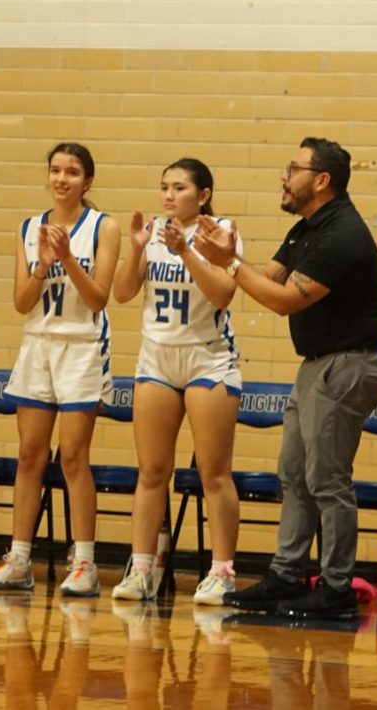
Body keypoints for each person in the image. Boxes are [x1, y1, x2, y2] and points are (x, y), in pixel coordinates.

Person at [194, 137, 377, 619]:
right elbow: (269, 277)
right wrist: (214, 257)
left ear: (321, 181)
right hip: (319, 364)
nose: (284, 176)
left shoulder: (341, 234)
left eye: (293, 168)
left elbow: (282, 302)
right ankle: (287, 574)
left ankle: (337, 586)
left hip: (348, 364)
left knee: (327, 479)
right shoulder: (308, 228)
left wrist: (231, 264)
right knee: (294, 473)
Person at [0, 143, 119, 597]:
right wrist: (42, 263)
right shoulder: (28, 227)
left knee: (74, 457)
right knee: (29, 456)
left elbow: (98, 299)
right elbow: (21, 303)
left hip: (81, 345)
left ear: (88, 180)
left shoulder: (105, 227)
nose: (62, 178)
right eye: (56, 170)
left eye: (72, 172)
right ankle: (19, 559)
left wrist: (69, 259)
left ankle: (85, 563)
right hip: (38, 344)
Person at [108, 159, 244, 605]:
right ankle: (142, 567)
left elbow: (223, 293)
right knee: (151, 472)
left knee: (213, 473)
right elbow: (123, 293)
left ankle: (222, 571)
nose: (168, 195)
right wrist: (136, 249)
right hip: (157, 359)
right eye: (164, 186)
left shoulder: (222, 232)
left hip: (207, 360)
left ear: (203, 195)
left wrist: (186, 250)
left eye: (179, 187)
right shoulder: (153, 231)